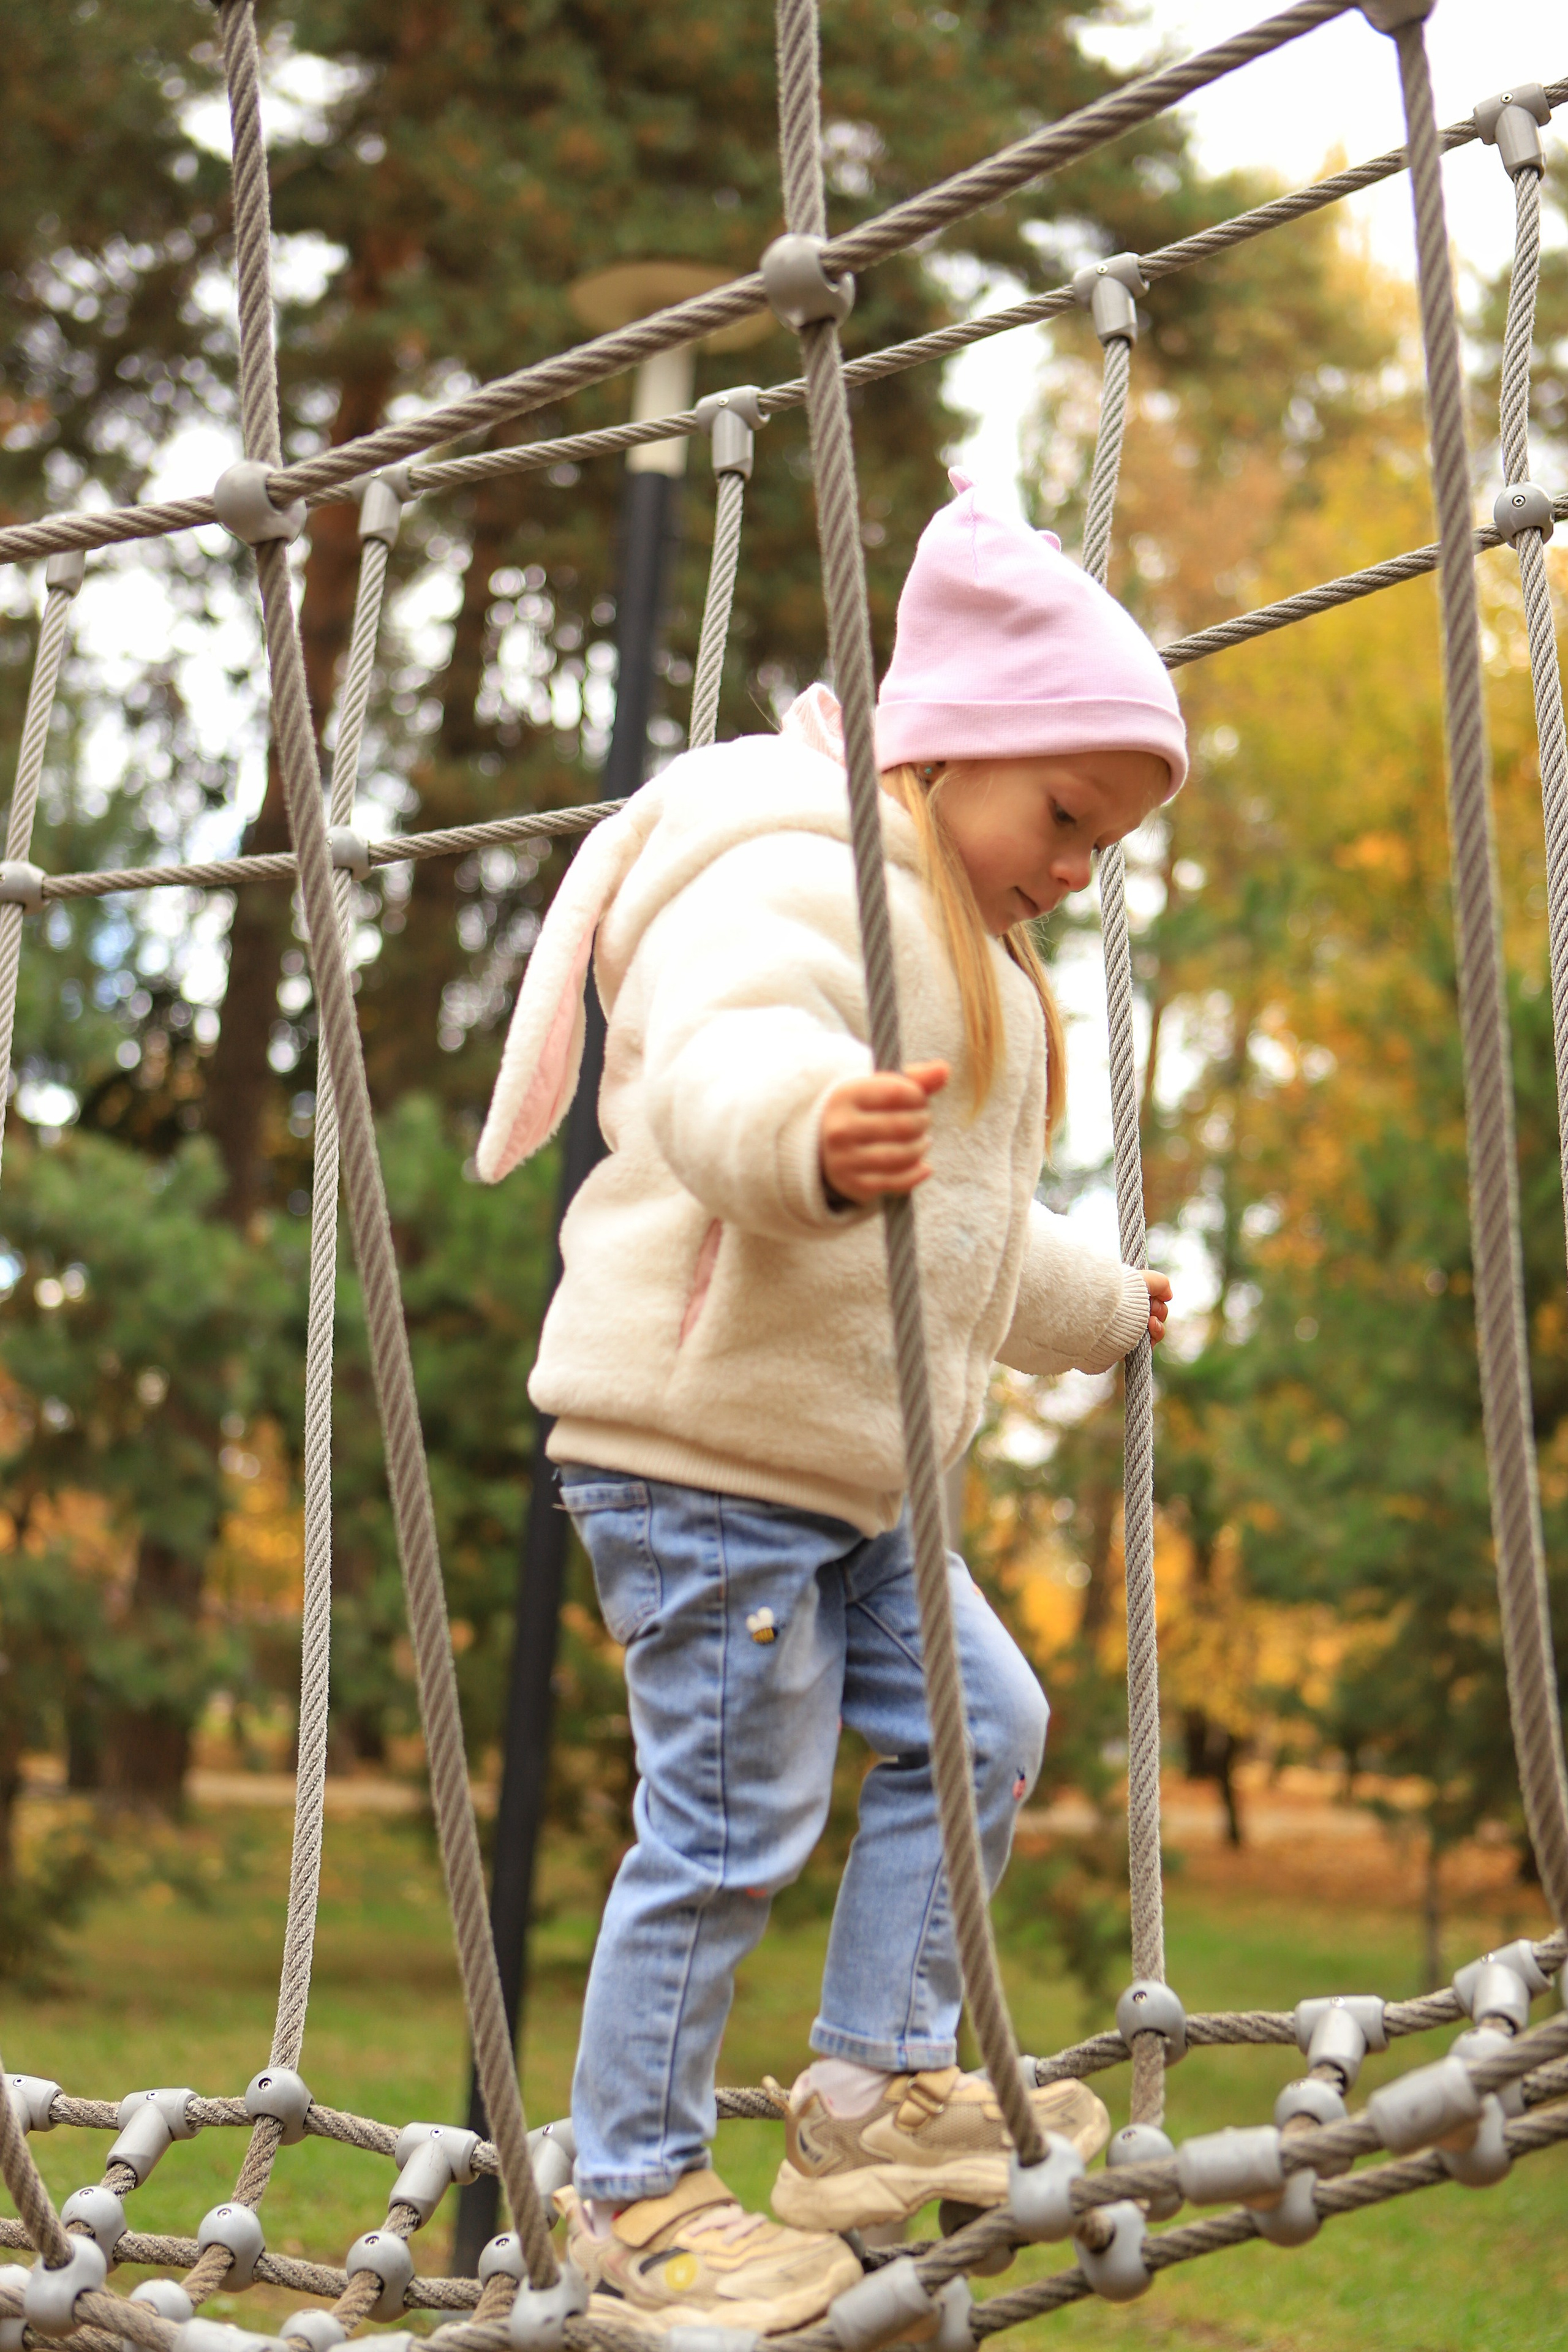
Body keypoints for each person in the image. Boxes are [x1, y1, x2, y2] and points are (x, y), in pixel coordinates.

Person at [478, 471, 1185, 2334]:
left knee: (990, 1722)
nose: (1077, 865)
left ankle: (869, 2086)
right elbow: (712, 1062)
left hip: (857, 1489)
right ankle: (630, 2188)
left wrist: (1104, 1306)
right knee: (729, 1819)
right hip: (705, 1465)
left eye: (1102, 838)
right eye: (1066, 814)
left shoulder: (984, 956)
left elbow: (960, 1244)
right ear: (957, 750)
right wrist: (803, 1126)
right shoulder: (808, 872)